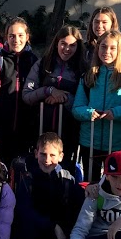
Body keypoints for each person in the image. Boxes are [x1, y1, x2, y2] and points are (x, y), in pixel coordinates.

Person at [72, 30, 121, 180]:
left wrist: (116, 113)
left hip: (116, 143)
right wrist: (89, 113)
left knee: (113, 185)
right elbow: (76, 108)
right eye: (103, 47)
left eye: (113, 48)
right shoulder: (88, 76)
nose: (107, 51)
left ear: (120, 51)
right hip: (89, 142)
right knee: (90, 185)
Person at [13, 132, 82, 239]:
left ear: (61, 156)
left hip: (59, 231)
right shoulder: (27, 178)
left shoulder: (67, 179)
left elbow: (75, 208)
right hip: (37, 228)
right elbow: (24, 211)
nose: (47, 160)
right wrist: (53, 226)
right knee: (27, 225)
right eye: (43, 154)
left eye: (52, 155)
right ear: (36, 153)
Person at [23, 25, 86, 168]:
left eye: (72, 45)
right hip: (41, 129)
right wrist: (48, 91)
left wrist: (65, 98)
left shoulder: (82, 69)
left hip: (68, 133)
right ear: (56, 43)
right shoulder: (42, 64)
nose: (67, 49)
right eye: (63, 43)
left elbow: (84, 102)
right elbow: (27, 95)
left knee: (65, 172)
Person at [0, 17, 39, 166]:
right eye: (12, 36)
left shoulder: (34, 62)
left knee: (24, 172)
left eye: (20, 35)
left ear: (27, 36)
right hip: (1, 132)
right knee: (1, 171)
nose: (16, 40)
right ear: (6, 37)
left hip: (27, 132)